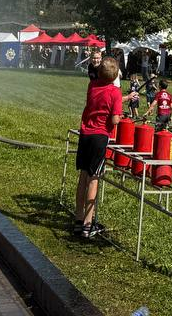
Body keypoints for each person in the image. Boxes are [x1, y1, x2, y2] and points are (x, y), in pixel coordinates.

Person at [74, 56, 121, 239]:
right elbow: (115, 119)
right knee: (94, 179)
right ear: (116, 75)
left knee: (83, 176)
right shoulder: (115, 92)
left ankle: (78, 220)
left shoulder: (92, 85)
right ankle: (88, 224)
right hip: (100, 137)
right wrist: (118, 116)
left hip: (85, 135)